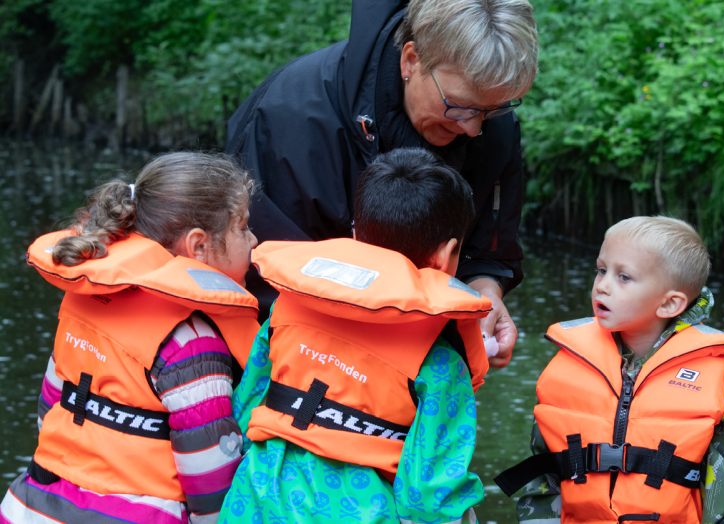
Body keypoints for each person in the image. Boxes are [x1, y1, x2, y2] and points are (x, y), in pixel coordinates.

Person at [226, 0, 539, 368]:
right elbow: (254, 271)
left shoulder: (492, 124)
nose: (473, 128)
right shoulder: (288, 116)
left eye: (494, 109)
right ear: (411, 60)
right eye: (460, 107)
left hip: (413, 368)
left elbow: (489, 248)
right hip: (291, 358)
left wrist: (486, 291)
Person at [219, 148, 492, 524]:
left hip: (254, 504)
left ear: (354, 235)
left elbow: (244, 413)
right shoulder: (440, 363)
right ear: (444, 258)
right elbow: (428, 497)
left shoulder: (284, 313)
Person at [1, 153, 261, 524]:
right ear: (198, 246)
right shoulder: (191, 341)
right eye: (244, 227)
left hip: (31, 507)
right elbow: (209, 478)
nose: (253, 239)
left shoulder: (83, 301)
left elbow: (50, 412)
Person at [493, 217, 724, 524]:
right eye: (601, 270)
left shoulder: (715, 390)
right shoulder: (572, 366)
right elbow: (545, 475)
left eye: (623, 277)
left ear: (669, 304)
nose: (603, 285)